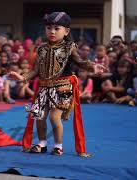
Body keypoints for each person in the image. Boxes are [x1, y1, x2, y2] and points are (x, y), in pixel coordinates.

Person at [9, 12, 104, 157]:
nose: (52, 31)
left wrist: (93, 67)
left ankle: (58, 146)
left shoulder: (69, 47)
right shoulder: (41, 48)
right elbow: (35, 70)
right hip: (43, 87)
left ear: (66, 31)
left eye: (56, 28)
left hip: (62, 87)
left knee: (54, 117)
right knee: (38, 116)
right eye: (48, 28)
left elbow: (80, 62)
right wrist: (21, 77)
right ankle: (42, 143)